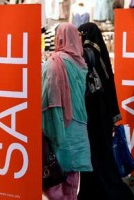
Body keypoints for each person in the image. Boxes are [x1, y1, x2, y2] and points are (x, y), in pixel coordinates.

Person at [77, 22, 134, 200]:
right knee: (100, 154)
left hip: (93, 115)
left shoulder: (88, 55)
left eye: (81, 33)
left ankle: (103, 191)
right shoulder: (99, 54)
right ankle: (100, 190)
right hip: (101, 114)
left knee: (95, 155)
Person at [42, 22, 93, 200]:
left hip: (60, 124)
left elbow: (47, 96)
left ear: (59, 38)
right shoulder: (81, 64)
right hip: (79, 127)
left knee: (56, 175)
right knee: (72, 176)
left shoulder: (53, 63)